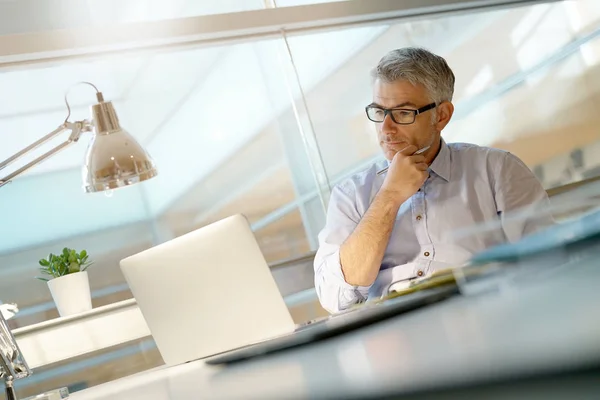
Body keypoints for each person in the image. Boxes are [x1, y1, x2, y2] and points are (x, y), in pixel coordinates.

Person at [313, 47, 551, 313]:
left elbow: (549, 262)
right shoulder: (351, 193)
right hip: (393, 329)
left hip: (485, 312)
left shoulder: (497, 170)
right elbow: (334, 298)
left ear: (442, 115)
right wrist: (389, 197)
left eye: (403, 113)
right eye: (379, 112)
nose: (386, 129)